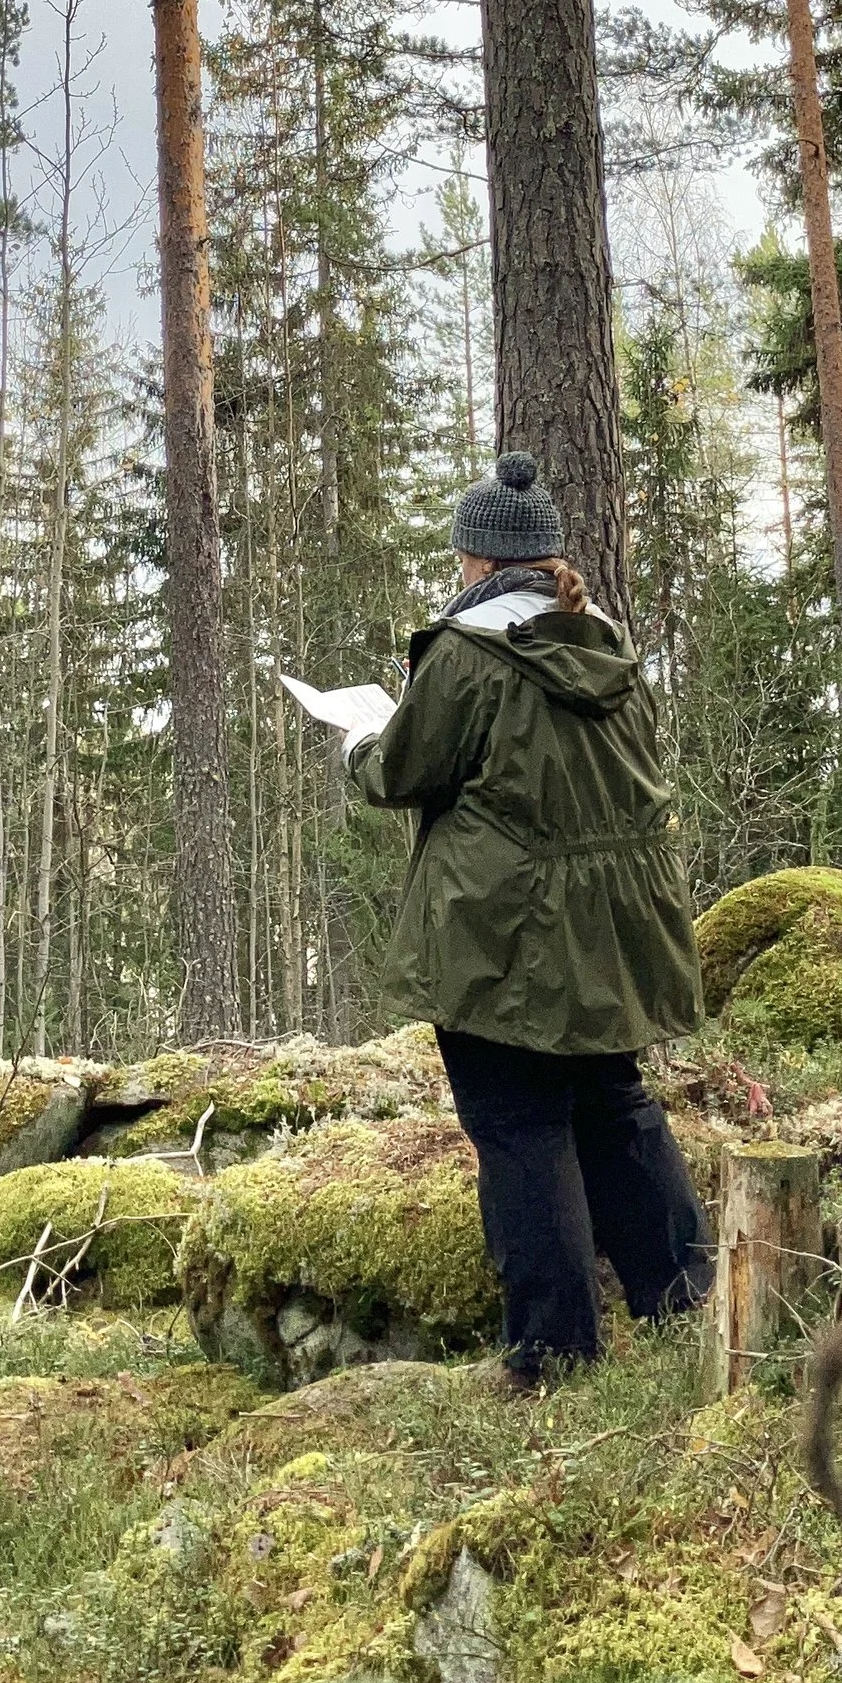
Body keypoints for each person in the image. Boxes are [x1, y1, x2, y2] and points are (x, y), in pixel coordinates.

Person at [343, 451, 713, 1392]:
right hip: (610, 927)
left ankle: (552, 1354)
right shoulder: (604, 639)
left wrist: (357, 742)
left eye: (461, 556)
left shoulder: (467, 654)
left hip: (500, 935)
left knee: (518, 1127)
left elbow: (401, 772)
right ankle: (686, 1302)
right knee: (613, 1103)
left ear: (478, 560)